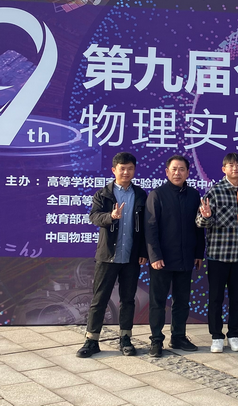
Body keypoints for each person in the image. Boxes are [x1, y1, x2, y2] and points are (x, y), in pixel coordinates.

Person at [76, 152, 148, 358]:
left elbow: (146, 226)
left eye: (130, 168)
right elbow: (94, 216)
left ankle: (125, 339)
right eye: (122, 168)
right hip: (107, 255)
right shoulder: (103, 194)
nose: (126, 172)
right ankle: (91, 340)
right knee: (99, 299)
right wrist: (111, 216)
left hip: (131, 257)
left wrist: (143, 251)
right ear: (114, 170)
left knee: (128, 300)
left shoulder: (140, 195)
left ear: (134, 170)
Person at [145, 155, 205, 357]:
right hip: (162, 260)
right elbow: (150, 228)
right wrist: (154, 256)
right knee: (158, 302)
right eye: (174, 169)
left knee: (182, 301)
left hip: (186, 257)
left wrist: (198, 253)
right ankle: (156, 339)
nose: (177, 173)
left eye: (181, 169)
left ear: (188, 173)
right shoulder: (157, 195)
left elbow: (198, 227)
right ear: (167, 172)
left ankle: (178, 336)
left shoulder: (194, 195)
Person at [196, 153, 238, 353]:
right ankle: (216, 336)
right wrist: (206, 217)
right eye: (230, 165)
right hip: (218, 255)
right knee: (216, 298)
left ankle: (234, 334)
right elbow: (200, 222)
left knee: (237, 298)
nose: (234, 168)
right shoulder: (214, 192)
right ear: (224, 169)